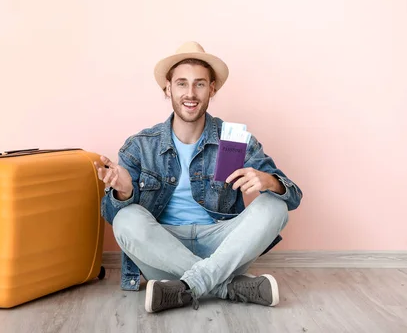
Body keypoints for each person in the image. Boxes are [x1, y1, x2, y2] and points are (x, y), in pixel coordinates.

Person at [94, 41, 303, 313]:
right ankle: (226, 286)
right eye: (182, 83)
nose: (190, 93)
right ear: (168, 88)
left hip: (222, 244)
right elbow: (112, 216)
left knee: (275, 205)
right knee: (125, 218)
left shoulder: (234, 139)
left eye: (200, 84)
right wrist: (124, 193)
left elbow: (294, 196)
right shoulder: (141, 145)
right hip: (164, 248)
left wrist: (269, 181)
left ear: (212, 89)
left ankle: (189, 285)